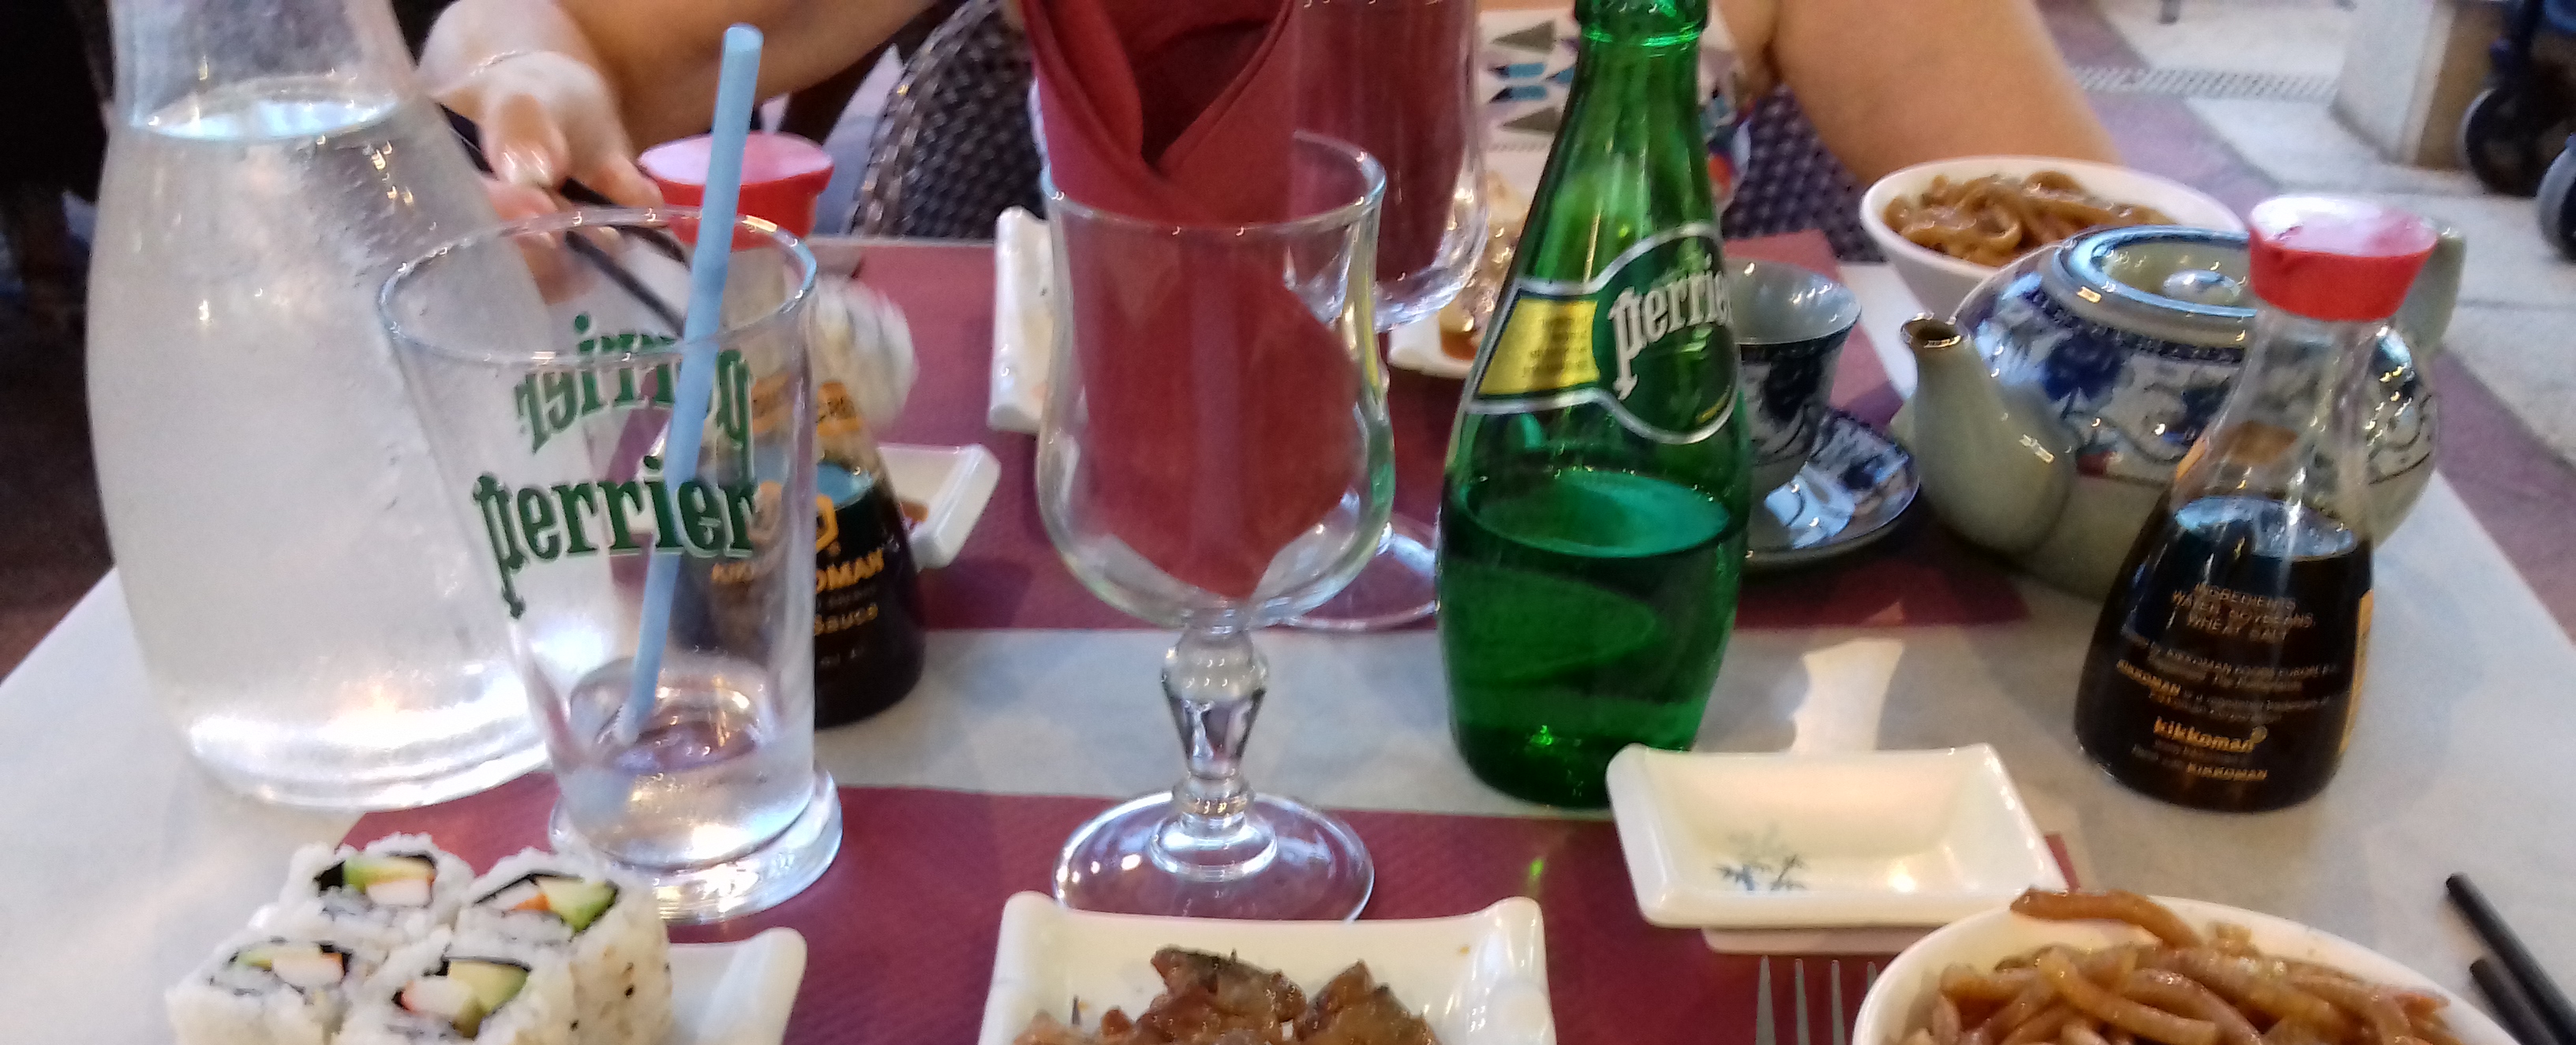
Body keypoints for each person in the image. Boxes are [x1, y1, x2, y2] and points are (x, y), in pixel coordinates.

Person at [421, 0, 2115, 221]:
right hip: (1146, 573)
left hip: (1609, 563)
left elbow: (2083, 242)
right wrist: (529, 82)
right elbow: (556, 27)